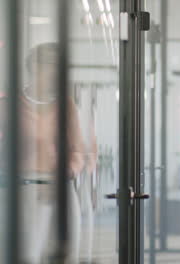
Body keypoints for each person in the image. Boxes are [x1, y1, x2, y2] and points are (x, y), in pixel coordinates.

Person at [0, 43, 86, 263]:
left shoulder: (67, 105)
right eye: (53, 67)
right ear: (36, 67)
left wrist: (66, 173)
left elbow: (78, 151)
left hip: (59, 191)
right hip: (22, 191)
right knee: (25, 255)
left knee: (64, 256)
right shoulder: (8, 104)